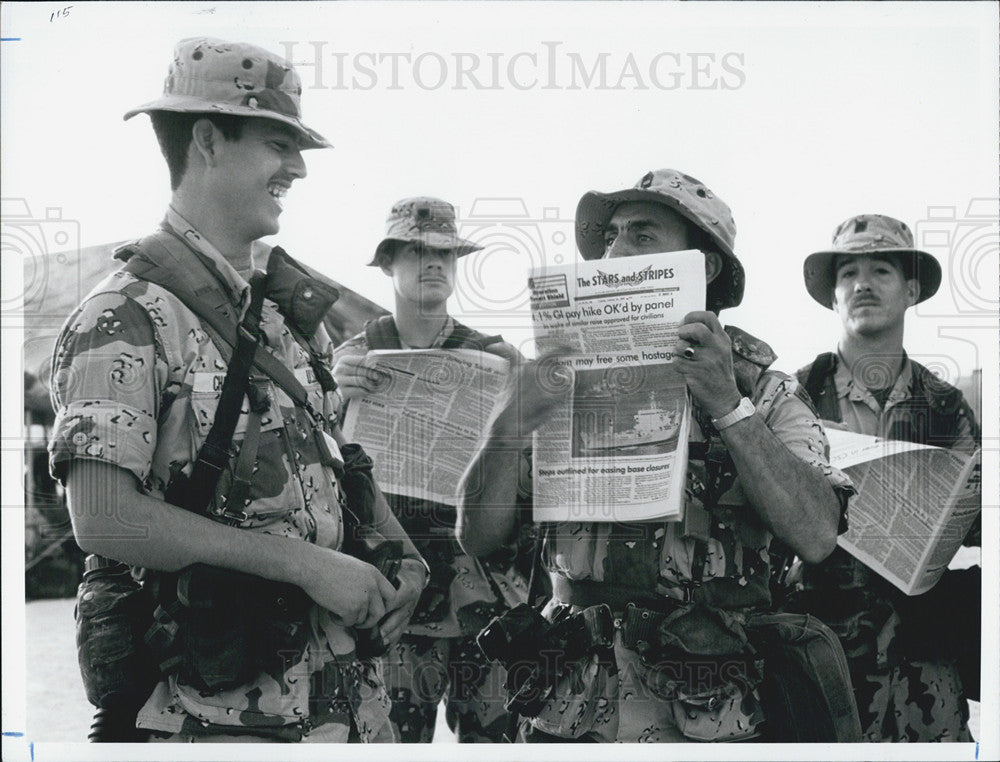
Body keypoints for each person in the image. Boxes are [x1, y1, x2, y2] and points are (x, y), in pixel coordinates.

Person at [48, 37, 427, 743]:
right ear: (208, 139)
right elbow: (102, 517)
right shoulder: (126, 312)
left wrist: (402, 555)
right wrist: (307, 565)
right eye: (277, 141)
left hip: (339, 708)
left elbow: (330, 468)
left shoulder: (284, 319)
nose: (299, 167)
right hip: (210, 720)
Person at [456, 168, 854, 742]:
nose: (615, 251)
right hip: (569, 705)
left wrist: (726, 404)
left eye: (642, 236)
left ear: (704, 266)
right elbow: (478, 536)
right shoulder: (555, 381)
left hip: (708, 707)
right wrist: (508, 426)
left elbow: (816, 533)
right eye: (611, 237)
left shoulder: (765, 391)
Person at [332, 197, 529, 742]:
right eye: (417, 252)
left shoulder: (493, 357)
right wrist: (332, 398)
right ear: (388, 262)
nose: (434, 263)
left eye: (446, 253)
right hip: (393, 591)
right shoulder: (349, 359)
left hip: (480, 595)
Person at [791, 213, 981, 741]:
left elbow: (978, 517)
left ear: (911, 290)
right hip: (821, 647)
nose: (862, 284)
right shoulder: (793, 397)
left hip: (925, 654)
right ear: (833, 296)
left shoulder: (945, 405)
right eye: (848, 273)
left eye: (880, 270)